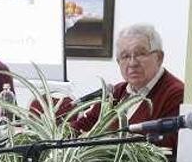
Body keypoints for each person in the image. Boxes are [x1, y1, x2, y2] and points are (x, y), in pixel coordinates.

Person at [71, 24, 184, 154]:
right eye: (125, 56)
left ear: (159, 57)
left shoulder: (176, 94)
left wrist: (101, 142)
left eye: (140, 54)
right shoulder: (116, 92)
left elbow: (168, 145)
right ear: (119, 62)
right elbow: (83, 125)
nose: (132, 63)